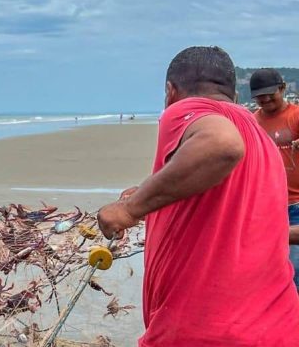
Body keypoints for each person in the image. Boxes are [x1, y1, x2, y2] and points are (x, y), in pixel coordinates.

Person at [97, 46, 299, 346]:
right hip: (279, 328)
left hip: (207, 332)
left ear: (170, 91)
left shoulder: (186, 108)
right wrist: (150, 191)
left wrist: (129, 210)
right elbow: (224, 192)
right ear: (234, 95)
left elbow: (220, 146)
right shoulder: (259, 135)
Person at [250, 68, 299, 289]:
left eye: (271, 93)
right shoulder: (252, 122)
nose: (266, 99)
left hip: (296, 204)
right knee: (269, 268)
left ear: (282, 88)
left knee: (295, 268)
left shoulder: (295, 115)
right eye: (260, 95)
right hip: (268, 206)